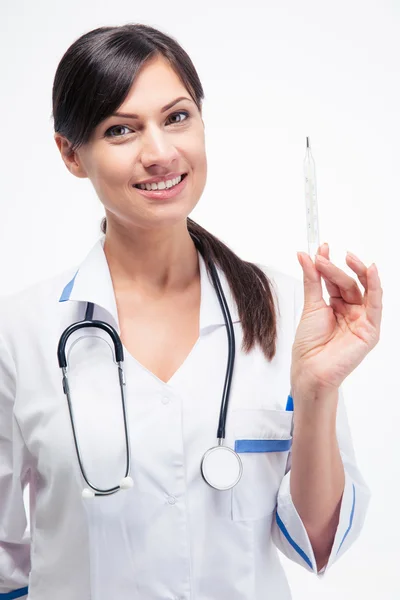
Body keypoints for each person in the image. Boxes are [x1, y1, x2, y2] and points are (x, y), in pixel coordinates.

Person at [0, 23, 382, 600]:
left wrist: (318, 390)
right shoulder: (20, 334)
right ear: (71, 154)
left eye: (176, 117)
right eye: (121, 129)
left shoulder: (287, 313)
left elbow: (316, 546)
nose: (159, 153)